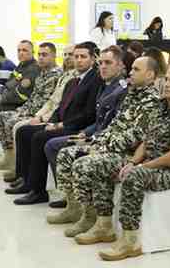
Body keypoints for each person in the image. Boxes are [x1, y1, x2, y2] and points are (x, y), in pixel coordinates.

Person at [74, 64, 170, 260]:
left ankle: (130, 240)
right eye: (166, 79)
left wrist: (141, 167)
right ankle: (104, 224)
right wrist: (133, 161)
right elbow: (146, 141)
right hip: (149, 164)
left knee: (134, 176)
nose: (167, 84)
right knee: (101, 166)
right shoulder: (160, 107)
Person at [47, 54, 162, 235]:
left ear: (150, 75)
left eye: (136, 69)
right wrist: (97, 141)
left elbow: (137, 135)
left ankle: (99, 221)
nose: (130, 72)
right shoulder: (132, 94)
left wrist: (102, 146)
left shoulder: (153, 100)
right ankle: (75, 208)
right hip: (112, 147)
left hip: (131, 155)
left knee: (84, 163)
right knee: (66, 154)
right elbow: (115, 125)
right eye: (131, 68)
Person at [8, 44, 103, 204]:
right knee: (25, 131)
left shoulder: (94, 80)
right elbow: (60, 106)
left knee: (40, 138)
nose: (78, 60)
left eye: (83, 57)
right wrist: (52, 121)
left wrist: (61, 124)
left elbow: (88, 114)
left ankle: (38, 191)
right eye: (76, 56)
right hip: (63, 122)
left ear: (93, 59)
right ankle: (26, 180)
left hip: (77, 126)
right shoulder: (73, 80)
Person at [43, 46, 128, 209]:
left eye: (108, 62)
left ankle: (77, 201)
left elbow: (114, 123)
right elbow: (98, 120)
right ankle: (71, 198)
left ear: (120, 65)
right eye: (101, 62)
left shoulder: (121, 89)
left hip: (105, 140)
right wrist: (85, 132)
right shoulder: (105, 85)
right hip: (93, 134)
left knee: (54, 145)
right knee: (51, 144)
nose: (103, 66)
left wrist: (91, 137)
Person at [0, 42, 62, 170]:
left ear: (54, 56)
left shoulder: (56, 74)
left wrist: (29, 114)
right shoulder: (41, 73)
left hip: (40, 115)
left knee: (13, 122)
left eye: (44, 55)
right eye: (39, 54)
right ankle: (9, 158)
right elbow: (32, 97)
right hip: (28, 110)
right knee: (0, 117)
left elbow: (47, 102)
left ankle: (19, 166)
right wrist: (21, 110)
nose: (40, 57)